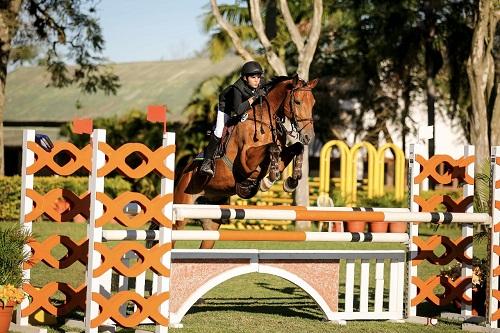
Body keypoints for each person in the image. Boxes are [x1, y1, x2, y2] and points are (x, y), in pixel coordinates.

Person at [199, 60, 267, 177]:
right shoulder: (237, 88)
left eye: (258, 77)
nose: (257, 80)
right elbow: (238, 110)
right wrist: (254, 97)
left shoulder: (259, 83)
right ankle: (206, 162)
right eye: (253, 77)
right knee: (219, 131)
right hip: (226, 107)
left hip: (242, 106)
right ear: (245, 78)